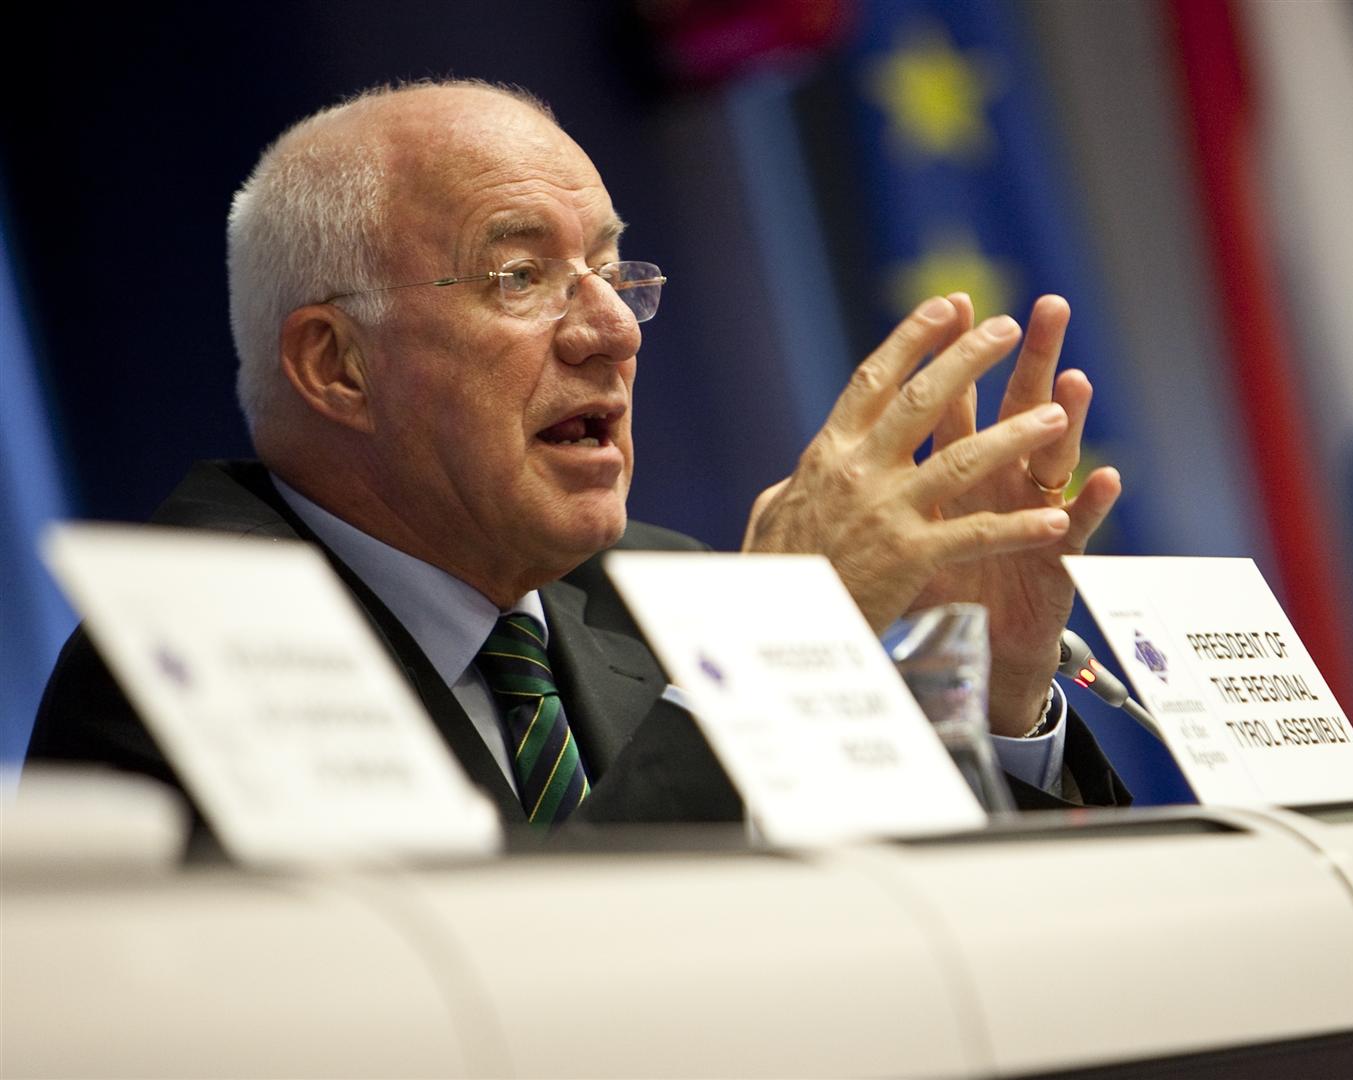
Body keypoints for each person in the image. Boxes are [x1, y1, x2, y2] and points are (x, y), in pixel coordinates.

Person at [27, 80, 1130, 842]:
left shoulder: (658, 591)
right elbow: (497, 1003)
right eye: (519, 276)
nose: (613, 331)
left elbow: (936, 947)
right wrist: (760, 655)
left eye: (611, 271)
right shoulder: (182, 662)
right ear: (338, 365)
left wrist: (1003, 693)